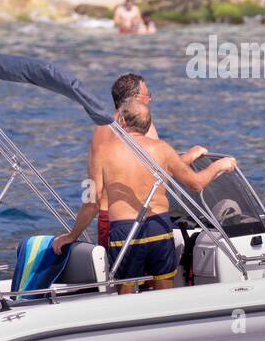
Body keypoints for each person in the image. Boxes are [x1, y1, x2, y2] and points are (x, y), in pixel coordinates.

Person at [53, 101, 236, 293]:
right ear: (148, 125)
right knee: (164, 291)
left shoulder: (102, 153)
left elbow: (92, 202)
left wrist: (72, 235)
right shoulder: (162, 149)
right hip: (159, 226)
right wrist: (219, 165)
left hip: (125, 231)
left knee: (126, 293)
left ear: (122, 122)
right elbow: (196, 183)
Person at [82, 74, 206, 254]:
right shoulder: (143, 126)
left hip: (106, 216)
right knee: (154, 278)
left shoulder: (100, 128)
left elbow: (94, 189)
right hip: (137, 218)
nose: (150, 100)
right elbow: (159, 172)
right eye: (147, 96)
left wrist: (74, 233)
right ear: (134, 98)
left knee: (119, 277)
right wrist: (190, 156)